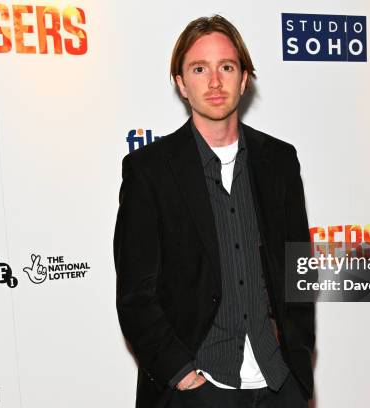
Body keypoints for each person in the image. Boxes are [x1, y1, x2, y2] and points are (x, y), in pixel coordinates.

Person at [114, 14, 314, 408]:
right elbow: (135, 294)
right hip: (198, 390)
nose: (215, 81)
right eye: (199, 69)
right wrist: (183, 376)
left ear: (243, 78)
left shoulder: (280, 160)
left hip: (279, 384)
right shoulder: (149, 171)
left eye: (226, 66)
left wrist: (299, 362)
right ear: (181, 83)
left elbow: (297, 270)